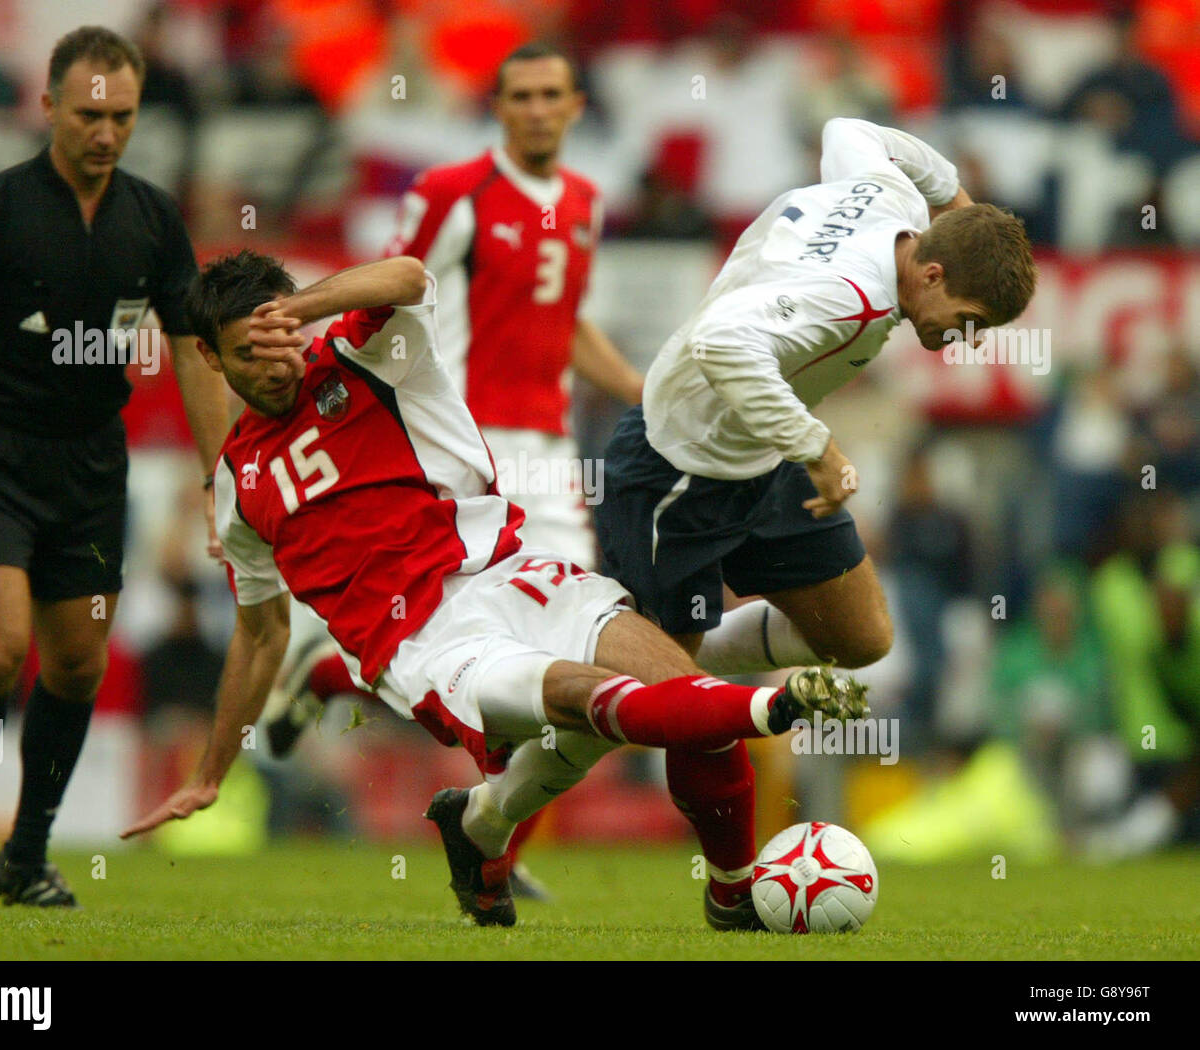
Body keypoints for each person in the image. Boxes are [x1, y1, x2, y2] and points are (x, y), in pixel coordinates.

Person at [120, 250, 869, 929]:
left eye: (284, 338)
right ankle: (776, 702)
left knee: (690, 701)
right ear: (211, 361)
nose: (277, 365)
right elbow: (258, 636)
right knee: (583, 698)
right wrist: (210, 775)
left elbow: (409, 276)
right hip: (426, 642)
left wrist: (305, 309)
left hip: (510, 572)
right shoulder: (235, 487)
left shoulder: (369, 352)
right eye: (251, 353)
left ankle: (731, 895)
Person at [593, 117, 1037, 915]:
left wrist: (963, 206)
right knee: (673, 713)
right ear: (930, 273)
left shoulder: (892, 196)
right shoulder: (858, 297)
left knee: (861, 638)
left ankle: (666, 662)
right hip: (681, 466)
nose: (961, 340)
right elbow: (724, 342)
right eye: (965, 319)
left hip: (762, 454)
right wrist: (819, 448)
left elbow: (845, 127)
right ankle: (715, 882)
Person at [262, 42, 644, 894]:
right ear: (497, 106)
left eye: (553, 94)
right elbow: (388, 295)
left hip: (548, 454)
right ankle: (346, 681)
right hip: (467, 449)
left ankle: (486, 828)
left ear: (577, 104)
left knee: (578, 641)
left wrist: (639, 390)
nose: (537, 109)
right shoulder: (451, 193)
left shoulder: (583, 203)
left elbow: (565, 320)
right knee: (457, 641)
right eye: (520, 96)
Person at [0, 27, 229, 907]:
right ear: (48, 106)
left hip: (91, 467)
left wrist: (219, 478)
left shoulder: (153, 217)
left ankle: (29, 854)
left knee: (80, 663)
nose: (105, 132)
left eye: (121, 116)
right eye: (88, 114)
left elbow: (193, 348)